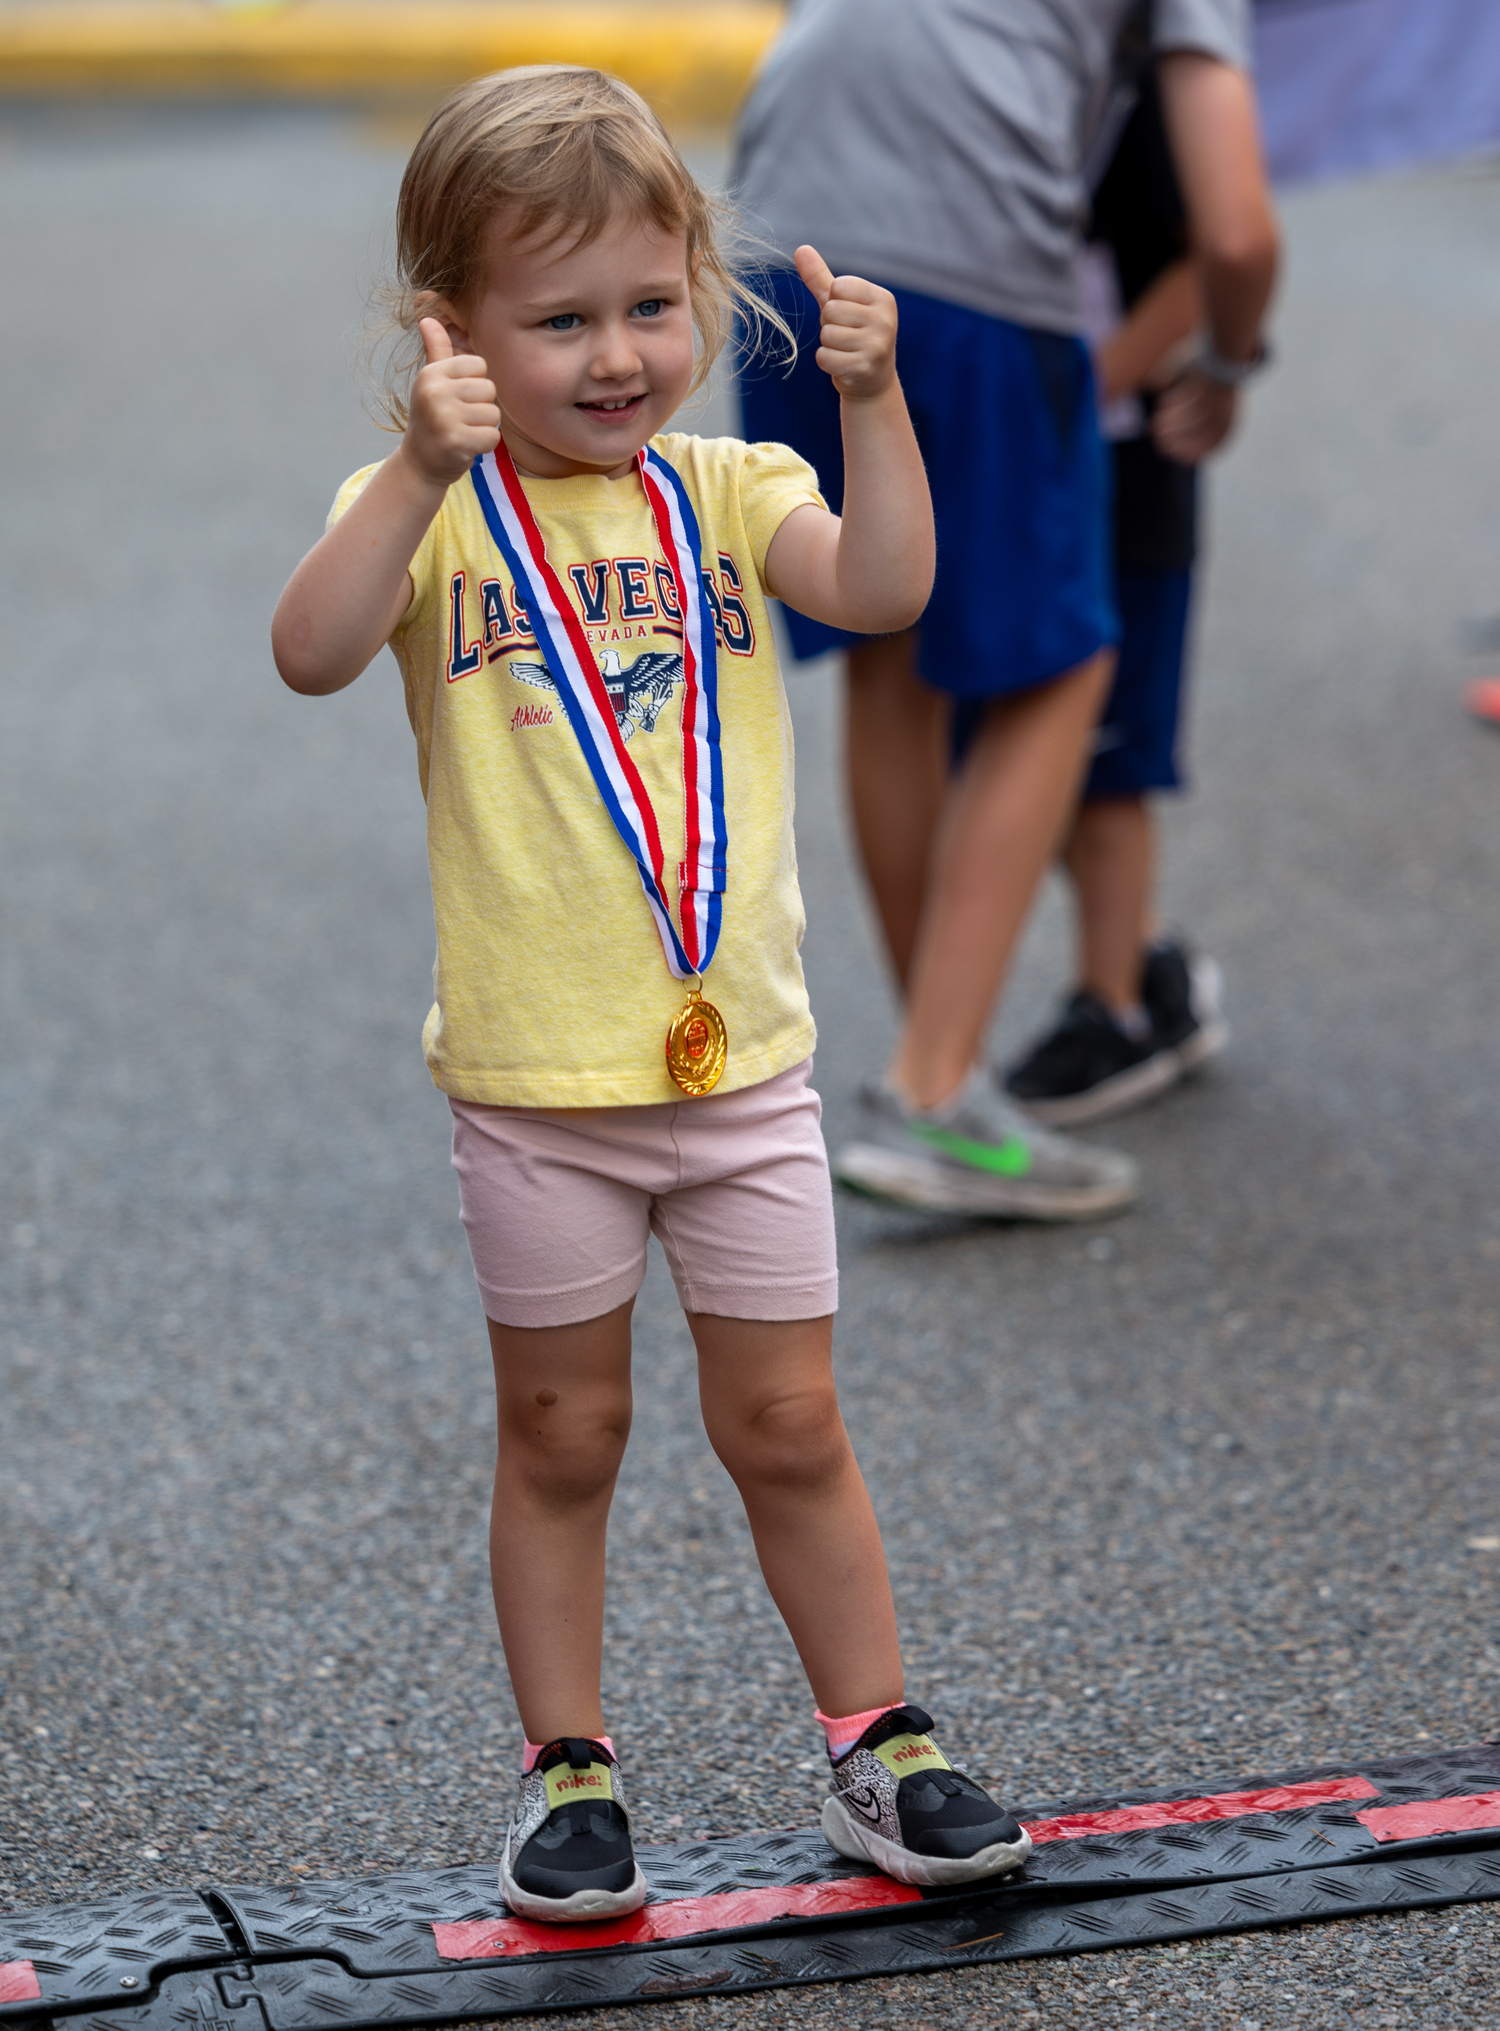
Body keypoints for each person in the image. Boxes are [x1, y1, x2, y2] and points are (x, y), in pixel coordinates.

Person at [271, 66, 1033, 1923]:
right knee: (564, 1435)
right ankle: (570, 1773)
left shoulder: (731, 486)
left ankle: (882, 1743)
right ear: (454, 335)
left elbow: (885, 586)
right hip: (539, 1088)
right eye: (558, 322)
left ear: (699, 287)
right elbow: (304, 652)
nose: (617, 356)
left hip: (743, 1071)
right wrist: (426, 465)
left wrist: (877, 405)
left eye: (649, 304)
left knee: (791, 1424)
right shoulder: (425, 511)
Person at [734, 0, 1279, 1218]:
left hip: (779, 234)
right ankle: (936, 1090)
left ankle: (942, 1075)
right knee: (1066, 665)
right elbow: (1235, 233)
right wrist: (1231, 363)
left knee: (890, 644)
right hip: (974, 252)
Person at [1004, 67, 1238, 1125]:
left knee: (1104, 762)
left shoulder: (1153, 86)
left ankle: (1116, 1009)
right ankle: (1145, 965)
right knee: (1004, 744)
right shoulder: (1012, 67)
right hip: (1021, 465)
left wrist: (1080, 389)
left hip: (1122, 471)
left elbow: (1211, 260)